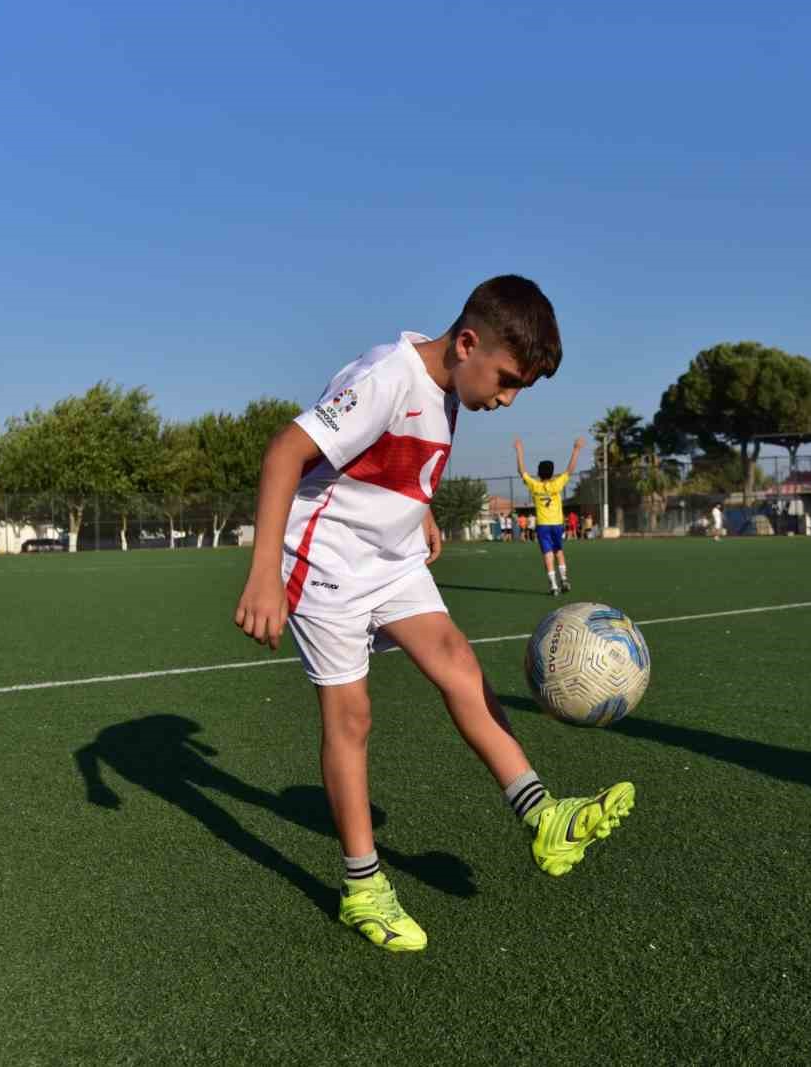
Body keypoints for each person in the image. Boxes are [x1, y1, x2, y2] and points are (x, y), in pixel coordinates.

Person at [232, 275, 633, 953]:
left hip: (389, 559)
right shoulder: (388, 375)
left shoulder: (449, 385)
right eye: (506, 381)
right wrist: (264, 573)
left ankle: (544, 816)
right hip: (326, 560)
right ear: (468, 343)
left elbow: (396, 460)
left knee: (458, 663)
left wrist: (416, 513)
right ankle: (363, 886)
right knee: (351, 716)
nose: (505, 400)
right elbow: (285, 452)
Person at [516, 436, 583, 595]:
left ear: (539, 473)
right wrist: (576, 449)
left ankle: (553, 586)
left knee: (547, 553)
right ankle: (564, 579)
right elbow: (570, 470)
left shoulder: (535, 485)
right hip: (557, 523)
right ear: (552, 472)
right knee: (558, 551)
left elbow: (521, 471)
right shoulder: (556, 484)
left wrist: (519, 451)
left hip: (543, 525)